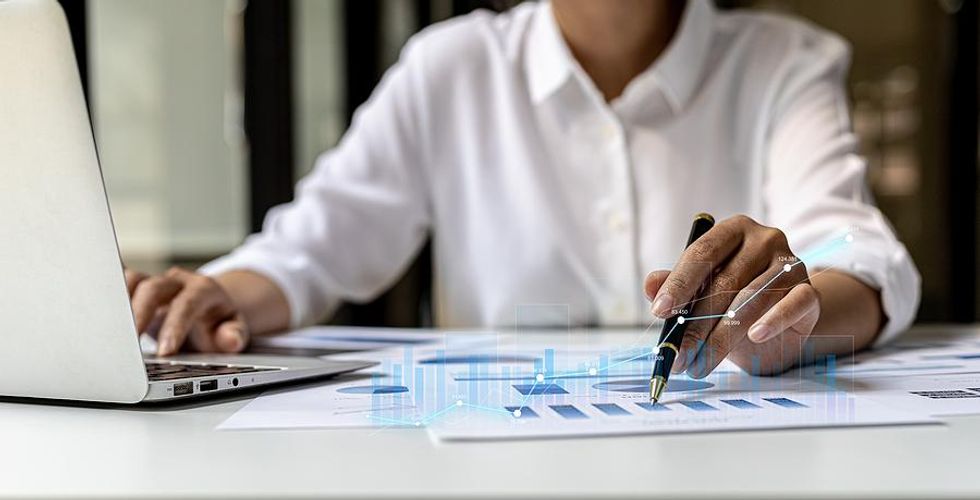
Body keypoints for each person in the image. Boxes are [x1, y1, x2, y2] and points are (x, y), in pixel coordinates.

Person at [124, 0, 920, 378]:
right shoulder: (451, 68)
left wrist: (800, 305)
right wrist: (213, 294)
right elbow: (311, 247)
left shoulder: (785, 63)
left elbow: (858, 252)